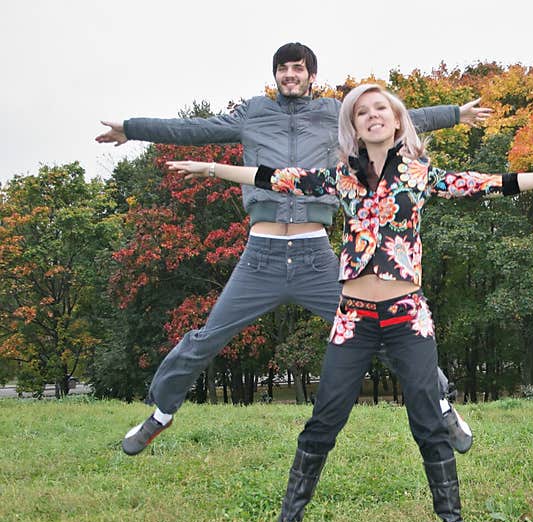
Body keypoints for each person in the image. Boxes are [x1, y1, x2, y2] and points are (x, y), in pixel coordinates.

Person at [167, 83, 533, 522]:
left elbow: (493, 182)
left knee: (428, 421)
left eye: (382, 109)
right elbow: (271, 177)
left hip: (407, 316)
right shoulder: (339, 178)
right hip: (353, 318)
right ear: (354, 127)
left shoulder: (420, 175)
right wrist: (210, 168)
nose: (373, 116)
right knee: (324, 420)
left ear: (398, 121)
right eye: (363, 112)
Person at [96, 43, 488, 455]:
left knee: (389, 333)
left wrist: (455, 114)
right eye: (283, 69)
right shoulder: (253, 114)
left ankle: (441, 405)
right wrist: (131, 127)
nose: (290, 75)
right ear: (276, 76)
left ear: (311, 75)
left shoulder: (334, 115)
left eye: (297, 69)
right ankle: (160, 414)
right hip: (260, 257)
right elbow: (196, 129)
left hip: (314, 257)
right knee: (205, 338)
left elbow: (396, 117)